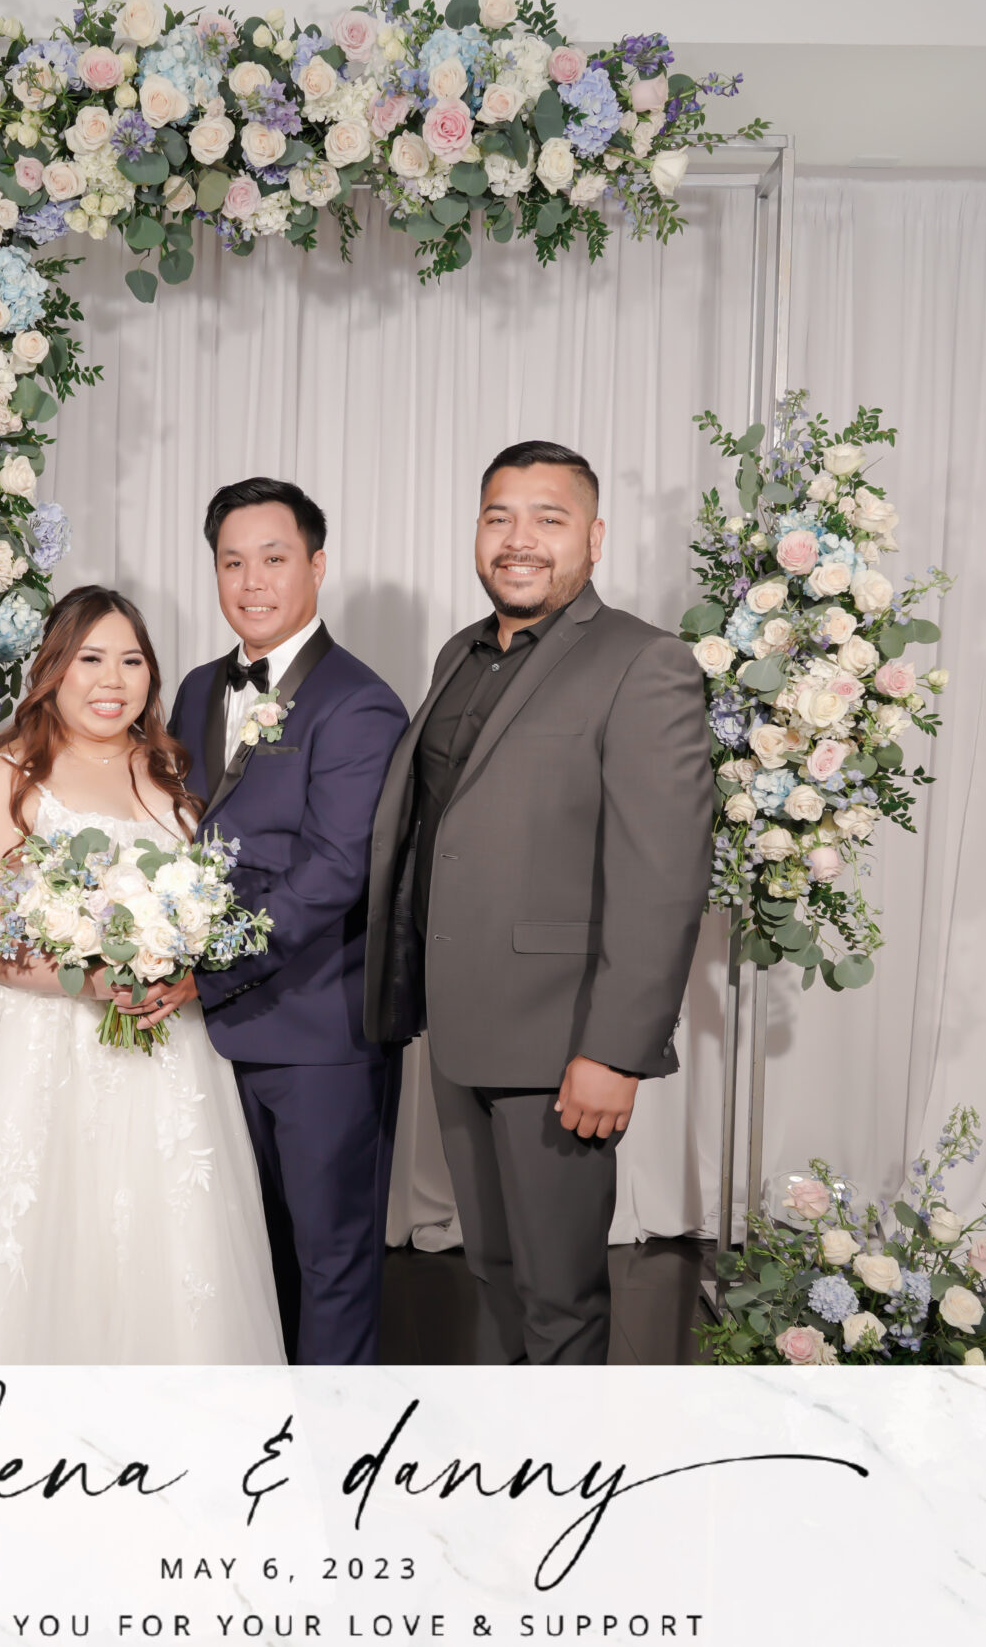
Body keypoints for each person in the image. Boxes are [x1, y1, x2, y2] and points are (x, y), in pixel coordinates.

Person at [364, 440, 716, 1366]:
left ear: (593, 538)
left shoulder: (645, 661)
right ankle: (508, 1445)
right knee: (491, 1271)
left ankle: (567, 1452)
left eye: (548, 519)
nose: (519, 539)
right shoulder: (462, 652)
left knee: (558, 1294)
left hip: (563, 1041)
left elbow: (664, 876)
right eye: (499, 517)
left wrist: (616, 1051)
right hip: (459, 1025)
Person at [0, 586, 284, 1364]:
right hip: (45, 1051)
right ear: (53, 670)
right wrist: (90, 980)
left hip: (167, 1053)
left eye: (131, 661)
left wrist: (177, 953)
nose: (112, 680)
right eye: (91, 659)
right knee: (38, 1245)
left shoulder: (170, 772)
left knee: (168, 1248)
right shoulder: (9, 774)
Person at [140, 478, 409, 1364]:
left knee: (330, 1257)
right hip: (206, 1036)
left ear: (317, 566)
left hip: (317, 1030)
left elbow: (331, 873)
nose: (251, 581)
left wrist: (206, 964)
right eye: (232, 562)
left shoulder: (358, 702)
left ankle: (333, 1436)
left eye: (274, 558)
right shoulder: (194, 688)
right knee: (237, 1257)